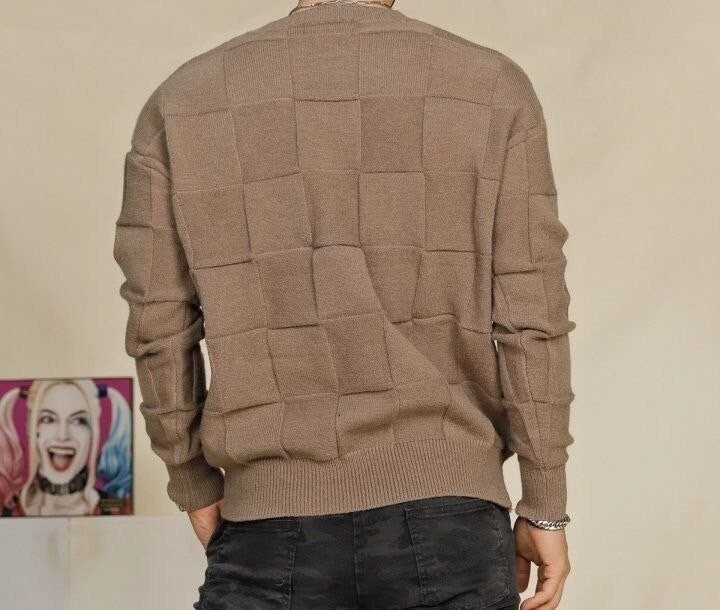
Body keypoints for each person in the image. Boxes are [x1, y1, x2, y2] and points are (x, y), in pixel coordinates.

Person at [112, 0, 575, 608]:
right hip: (449, 523)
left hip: (267, 526)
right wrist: (544, 503)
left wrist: (192, 481)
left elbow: (158, 323)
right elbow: (531, 317)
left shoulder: (184, 102)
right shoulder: (491, 89)